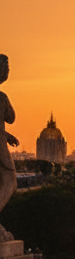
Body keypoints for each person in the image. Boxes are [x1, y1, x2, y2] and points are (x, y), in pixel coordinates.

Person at [0, 55, 19, 243]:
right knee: (9, 181)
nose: (7, 71)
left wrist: (6, 135)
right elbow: (11, 117)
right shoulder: (2, 98)